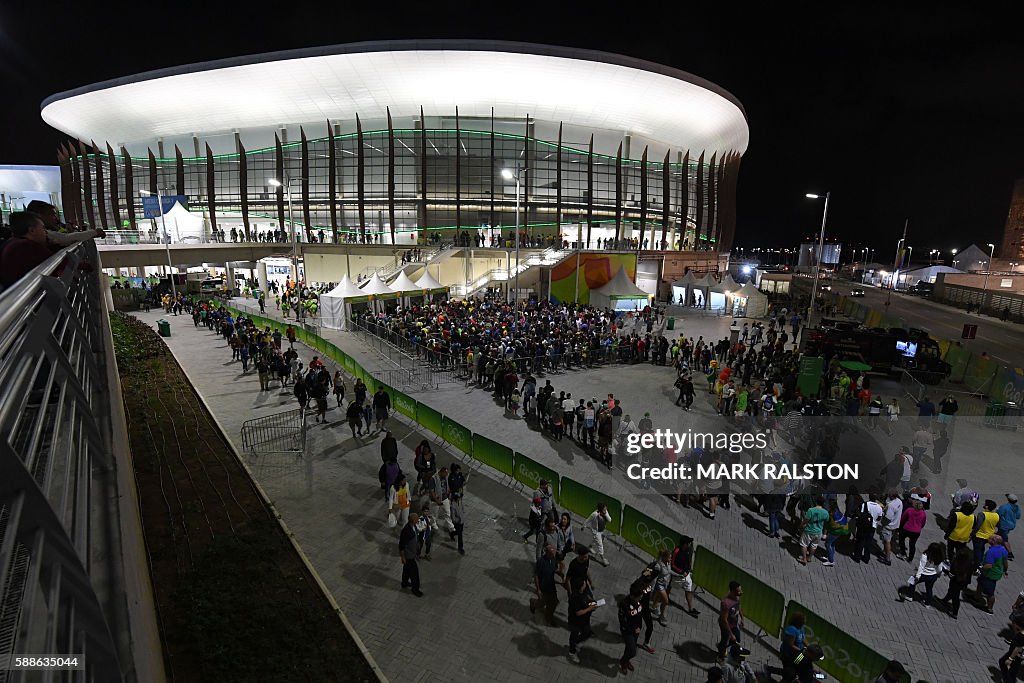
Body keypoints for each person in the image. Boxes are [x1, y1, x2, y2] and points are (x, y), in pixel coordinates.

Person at [566, 576, 598, 664]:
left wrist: (592, 603)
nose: (585, 584)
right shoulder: (575, 598)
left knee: (587, 632)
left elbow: (586, 601)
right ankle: (572, 651)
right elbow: (578, 613)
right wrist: (590, 608)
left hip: (584, 620)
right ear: (580, 587)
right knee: (574, 636)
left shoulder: (583, 592)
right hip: (575, 622)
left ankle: (576, 643)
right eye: (584, 583)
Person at [976, 535, 1010, 614]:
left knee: (990, 593)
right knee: (980, 582)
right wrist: (1005, 570)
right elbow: (1005, 562)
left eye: (991, 538)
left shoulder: (992, 552)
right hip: (997, 573)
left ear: (994, 541)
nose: (988, 538)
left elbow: (988, 566)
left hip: (989, 574)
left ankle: (989, 609)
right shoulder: (1003, 549)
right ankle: (976, 597)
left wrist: (980, 568)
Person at [618, 582, 645, 675]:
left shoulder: (638, 600)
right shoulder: (624, 605)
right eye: (639, 596)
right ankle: (623, 661)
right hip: (628, 632)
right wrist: (633, 629)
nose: (641, 598)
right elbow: (623, 622)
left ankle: (626, 661)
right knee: (633, 652)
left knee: (629, 648)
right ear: (633, 596)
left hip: (636, 630)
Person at [530, 544, 560, 626]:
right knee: (542, 604)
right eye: (552, 553)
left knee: (554, 603)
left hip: (551, 585)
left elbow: (554, 568)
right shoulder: (541, 562)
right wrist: (538, 590)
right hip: (544, 587)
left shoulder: (553, 559)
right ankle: (533, 603)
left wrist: (559, 572)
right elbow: (536, 576)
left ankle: (548, 618)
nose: (554, 555)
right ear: (547, 553)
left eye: (554, 553)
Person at [716, 581, 745, 664]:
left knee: (737, 638)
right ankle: (720, 656)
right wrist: (731, 634)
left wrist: (742, 618)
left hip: (734, 624)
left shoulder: (737, 597)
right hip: (726, 626)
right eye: (738, 591)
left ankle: (723, 645)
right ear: (732, 591)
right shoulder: (726, 603)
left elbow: (739, 607)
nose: (741, 592)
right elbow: (724, 620)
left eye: (740, 590)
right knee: (725, 640)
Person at [670, 535, 699, 617]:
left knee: (689, 589)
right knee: (670, 586)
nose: (690, 544)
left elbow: (689, 560)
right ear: (684, 544)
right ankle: (665, 598)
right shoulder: (676, 551)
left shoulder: (688, 550)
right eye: (689, 543)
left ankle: (691, 609)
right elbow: (672, 564)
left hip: (686, 575)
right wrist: (681, 572)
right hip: (678, 575)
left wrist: (688, 570)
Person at [399, 512, 423, 597]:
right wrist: (403, 557)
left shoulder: (413, 527)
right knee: (414, 572)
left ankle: (404, 583)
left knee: (406, 569)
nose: (418, 520)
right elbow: (401, 545)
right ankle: (415, 589)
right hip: (409, 555)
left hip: (412, 553)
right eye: (417, 519)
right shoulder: (406, 531)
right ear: (413, 520)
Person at [799, 497, 829, 566]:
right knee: (814, 545)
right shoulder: (826, 512)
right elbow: (826, 522)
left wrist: (801, 526)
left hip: (809, 531)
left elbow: (805, 520)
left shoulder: (811, 510)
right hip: (818, 532)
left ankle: (804, 559)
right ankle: (809, 558)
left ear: (816, 502)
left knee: (804, 544)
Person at [898, 495, 927, 562]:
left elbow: (903, 519)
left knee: (901, 539)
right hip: (916, 531)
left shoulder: (909, 510)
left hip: (906, 528)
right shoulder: (923, 513)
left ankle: (903, 553)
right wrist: (920, 527)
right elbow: (923, 523)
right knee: (912, 544)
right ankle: (910, 558)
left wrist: (901, 526)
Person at [585, 502, 612, 567]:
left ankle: (590, 547)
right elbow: (588, 519)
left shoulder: (605, 512)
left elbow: (610, 520)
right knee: (600, 545)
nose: (605, 510)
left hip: (602, 530)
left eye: (606, 509)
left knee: (596, 540)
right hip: (596, 532)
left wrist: (605, 514)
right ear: (600, 509)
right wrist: (584, 525)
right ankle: (603, 559)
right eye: (604, 509)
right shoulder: (594, 514)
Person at [999, 615, 1024, 683]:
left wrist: (1010, 659)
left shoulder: (1020, 636)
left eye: (1014, 624)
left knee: (1009, 669)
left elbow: (1018, 648)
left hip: (1015, 656)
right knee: (1012, 672)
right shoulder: (1021, 633)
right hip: (1018, 656)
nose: (1012, 625)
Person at [998, 494, 1021, 561]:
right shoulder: (1017, 507)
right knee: (1000, 535)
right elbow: (1018, 516)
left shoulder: (1004, 507)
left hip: (1004, 525)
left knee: (1005, 539)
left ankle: (1010, 553)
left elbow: (998, 514)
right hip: (1011, 525)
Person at [450, 490, 466, 555]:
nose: (460, 498)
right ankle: (460, 548)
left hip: (462, 521)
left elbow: (462, 508)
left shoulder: (460, 501)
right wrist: (458, 520)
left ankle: (452, 534)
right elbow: (453, 518)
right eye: (459, 497)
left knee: (458, 532)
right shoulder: (453, 506)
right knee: (460, 535)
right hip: (458, 523)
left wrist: (463, 513)